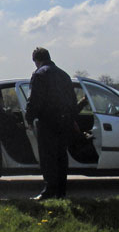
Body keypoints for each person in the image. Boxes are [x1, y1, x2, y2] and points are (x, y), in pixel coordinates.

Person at [25, 47, 79, 200]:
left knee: (48, 157)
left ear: (36, 60)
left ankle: (49, 190)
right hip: (64, 121)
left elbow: (34, 100)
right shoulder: (64, 75)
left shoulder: (39, 74)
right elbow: (73, 100)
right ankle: (61, 192)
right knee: (61, 156)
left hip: (48, 121)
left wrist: (29, 118)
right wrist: (71, 119)